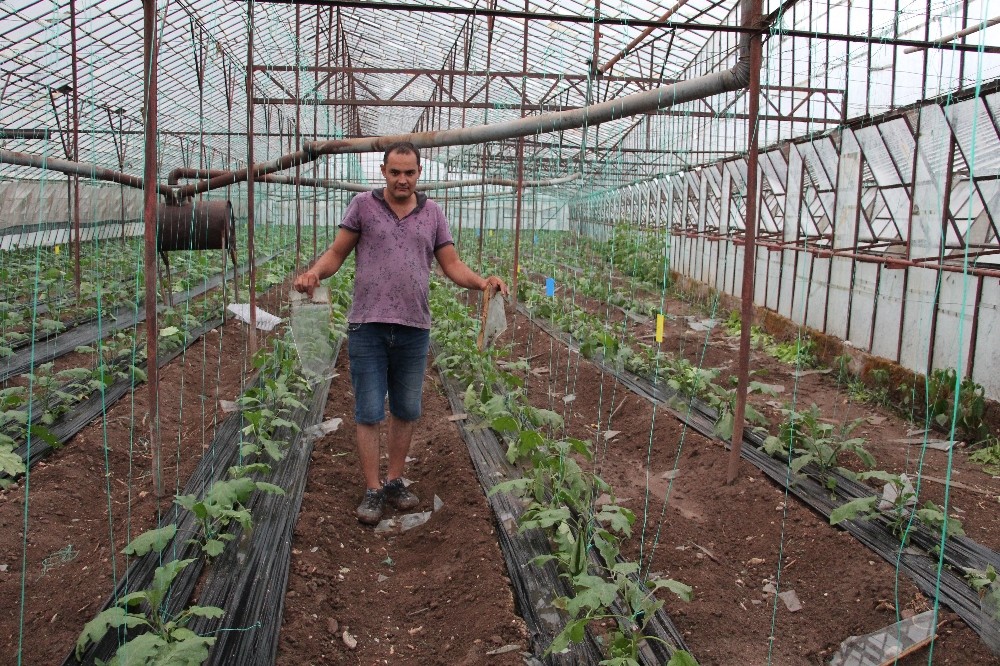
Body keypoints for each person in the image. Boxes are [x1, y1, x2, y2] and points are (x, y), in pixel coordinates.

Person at [293, 141, 508, 525]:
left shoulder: (433, 214)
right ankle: (373, 489)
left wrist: (481, 282)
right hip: (367, 326)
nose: (402, 179)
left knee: (406, 409)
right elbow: (337, 253)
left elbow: (451, 264)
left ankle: (394, 480)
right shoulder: (363, 207)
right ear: (383, 171)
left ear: (419, 173)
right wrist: (314, 273)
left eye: (409, 173)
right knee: (369, 410)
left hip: (414, 328)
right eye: (395, 172)